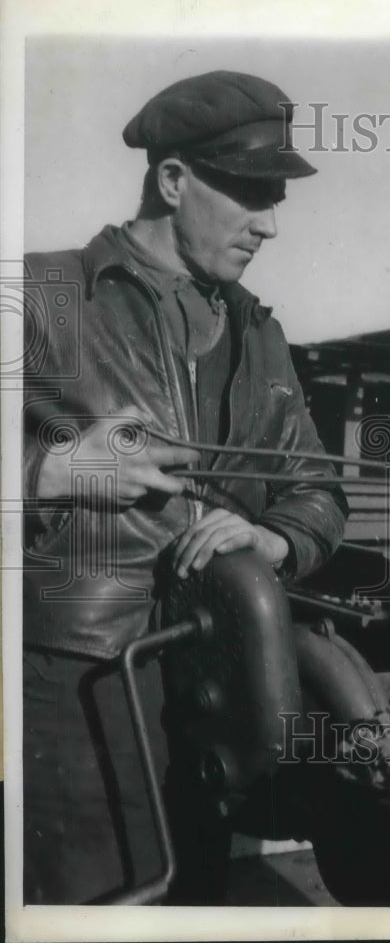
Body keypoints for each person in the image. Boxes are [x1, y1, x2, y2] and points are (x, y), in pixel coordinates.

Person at [22, 70, 348, 904]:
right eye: (248, 194)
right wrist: (61, 469)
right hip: (81, 690)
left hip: (214, 688)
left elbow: (316, 489)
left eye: (276, 198)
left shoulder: (257, 332)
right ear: (172, 179)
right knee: (100, 906)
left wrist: (274, 538)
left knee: (194, 901)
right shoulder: (41, 296)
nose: (269, 224)